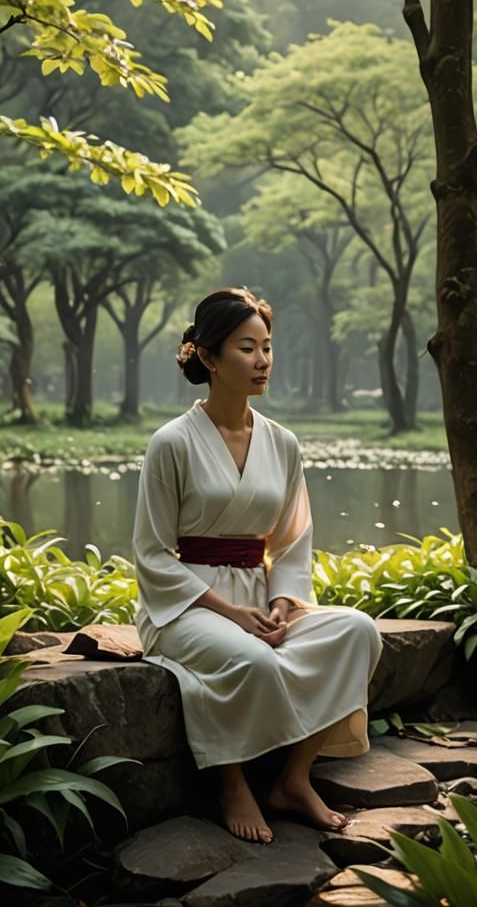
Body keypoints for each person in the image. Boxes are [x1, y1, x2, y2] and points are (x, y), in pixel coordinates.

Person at [132, 286, 383, 844]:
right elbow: (150, 553)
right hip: (185, 607)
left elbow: (292, 543)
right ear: (208, 356)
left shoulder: (282, 443)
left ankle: (294, 779)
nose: (262, 360)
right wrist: (232, 614)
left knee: (357, 632)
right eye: (247, 348)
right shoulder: (171, 443)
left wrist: (281, 604)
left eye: (267, 347)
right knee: (255, 661)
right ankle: (232, 783)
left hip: (261, 597)